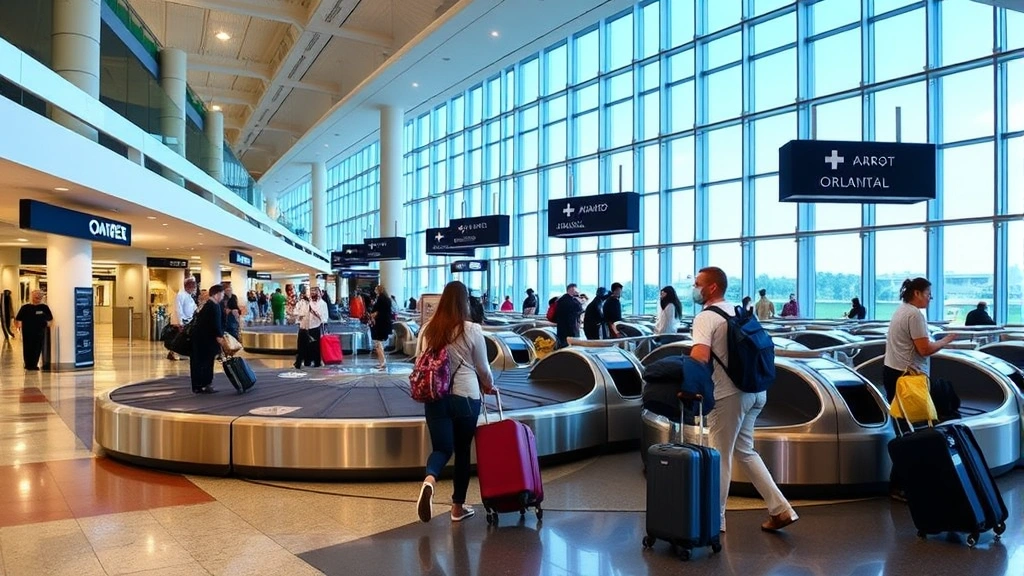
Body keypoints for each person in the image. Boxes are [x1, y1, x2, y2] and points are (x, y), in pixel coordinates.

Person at [688, 267, 799, 533]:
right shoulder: (737, 311)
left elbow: (700, 357)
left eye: (697, 283)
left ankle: (714, 520)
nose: (694, 287)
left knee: (720, 455)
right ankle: (781, 509)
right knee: (744, 451)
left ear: (712, 287)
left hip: (729, 395)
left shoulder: (705, 318)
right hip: (755, 390)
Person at [415, 280, 497, 524]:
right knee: (462, 452)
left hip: (435, 397)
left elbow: (419, 362)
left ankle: (429, 481)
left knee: (441, 449)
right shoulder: (471, 329)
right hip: (466, 396)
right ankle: (457, 508)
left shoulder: (428, 329)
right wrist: (489, 385)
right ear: (464, 302)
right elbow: (483, 368)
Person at [190, 284, 230, 394]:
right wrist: (219, 337)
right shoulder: (214, 306)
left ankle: (197, 385)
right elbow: (216, 324)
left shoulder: (207, 305)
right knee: (207, 362)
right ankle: (206, 384)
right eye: (222, 294)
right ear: (217, 294)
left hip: (199, 339)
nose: (222, 296)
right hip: (208, 340)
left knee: (199, 362)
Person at [14, 290, 52, 371]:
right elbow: (18, 319)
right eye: (36, 294)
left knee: (37, 348)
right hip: (27, 332)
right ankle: (28, 365)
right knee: (27, 348)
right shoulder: (25, 307)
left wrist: (46, 325)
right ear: (32, 296)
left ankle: (34, 364)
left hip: (39, 332)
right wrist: (18, 329)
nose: (38, 296)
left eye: (40, 294)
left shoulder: (44, 307)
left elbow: (50, 319)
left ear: (42, 297)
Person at [168, 277, 198, 361]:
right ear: (188, 287)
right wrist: (180, 322)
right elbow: (178, 309)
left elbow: (193, 307)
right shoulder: (181, 295)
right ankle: (173, 352)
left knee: (181, 338)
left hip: (188, 320)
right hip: (181, 321)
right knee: (178, 338)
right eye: (193, 287)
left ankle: (177, 352)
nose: (194, 290)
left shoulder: (189, 296)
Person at [370, 285, 394, 370]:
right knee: (379, 343)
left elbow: (376, 310)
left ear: (378, 290)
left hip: (379, 323)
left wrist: (372, 314)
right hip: (386, 323)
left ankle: (382, 362)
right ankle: (382, 362)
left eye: (376, 289)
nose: (374, 290)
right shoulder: (388, 299)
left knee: (378, 344)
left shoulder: (380, 299)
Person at [554, 284, 583, 349]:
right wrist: (579, 301)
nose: (577, 292)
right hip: (571, 327)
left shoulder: (561, 300)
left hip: (562, 328)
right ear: (571, 290)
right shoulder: (572, 300)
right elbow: (580, 309)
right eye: (576, 291)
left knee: (563, 345)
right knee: (572, 347)